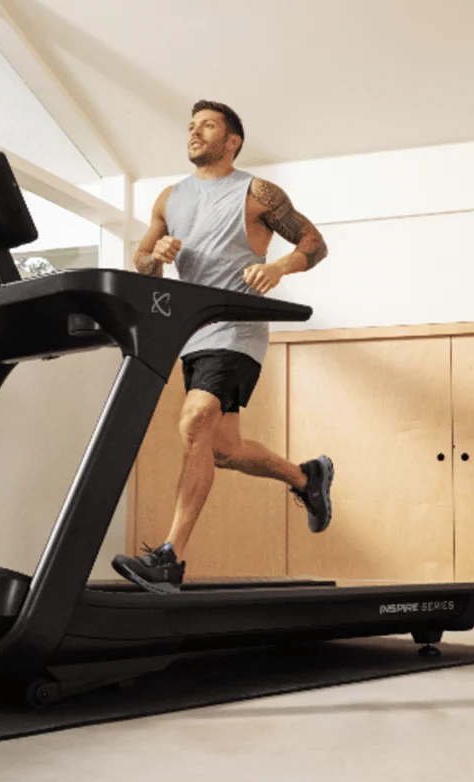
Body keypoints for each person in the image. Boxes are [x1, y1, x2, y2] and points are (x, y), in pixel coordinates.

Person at [113, 100, 334, 593]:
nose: (194, 132)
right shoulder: (169, 198)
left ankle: (170, 557)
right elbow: (141, 261)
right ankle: (306, 477)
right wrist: (158, 255)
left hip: (236, 329)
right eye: (191, 126)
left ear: (232, 140)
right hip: (191, 333)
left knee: (193, 420)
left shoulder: (257, 192)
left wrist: (277, 268)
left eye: (207, 126)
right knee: (223, 450)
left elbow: (315, 244)